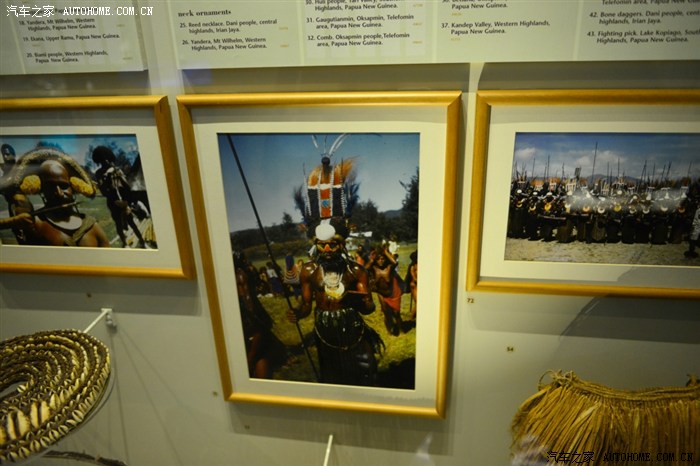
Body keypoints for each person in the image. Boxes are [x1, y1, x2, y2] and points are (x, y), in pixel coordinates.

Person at [288, 219, 383, 386]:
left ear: (341, 245)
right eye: (321, 245)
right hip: (325, 328)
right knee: (333, 375)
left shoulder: (355, 271)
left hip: (352, 326)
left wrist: (358, 301)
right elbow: (306, 306)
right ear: (315, 245)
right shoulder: (309, 271)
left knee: (367, 370)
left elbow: (369, 308)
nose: (326, 250)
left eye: (332, 245)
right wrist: (297, 313)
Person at [16, 158, 110, 247]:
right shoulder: (35, 224)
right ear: (41, 188)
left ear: (74, 187)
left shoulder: (92, 227)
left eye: (64, 186)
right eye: (50, 186)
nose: (59, 193)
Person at [92, 146, 149, 248]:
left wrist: (120, 177)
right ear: (100, 161)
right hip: (112, 202)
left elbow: (127, 187)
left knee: (131, 223)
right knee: (118, 223)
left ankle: (142, 242)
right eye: (103, 160)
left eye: (107, 159)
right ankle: (125, 243)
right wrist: (106, 178)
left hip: (123, 201)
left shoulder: (116, 170)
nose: (106, 161)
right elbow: (104, 191)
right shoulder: (99, 173)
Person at [367, 245, 403, 336]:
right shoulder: (374, 269)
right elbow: (364, 269)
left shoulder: (389, 268)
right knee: (386, 313)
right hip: (381, 294)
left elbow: (394, 262)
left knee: (396, 313)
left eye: (382, 259)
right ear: (376, 260)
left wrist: (385, 252)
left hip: (393, 293)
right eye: (378, 259)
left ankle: (400, 329)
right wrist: (372, 259)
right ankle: (389, 331)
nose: (381, 261)